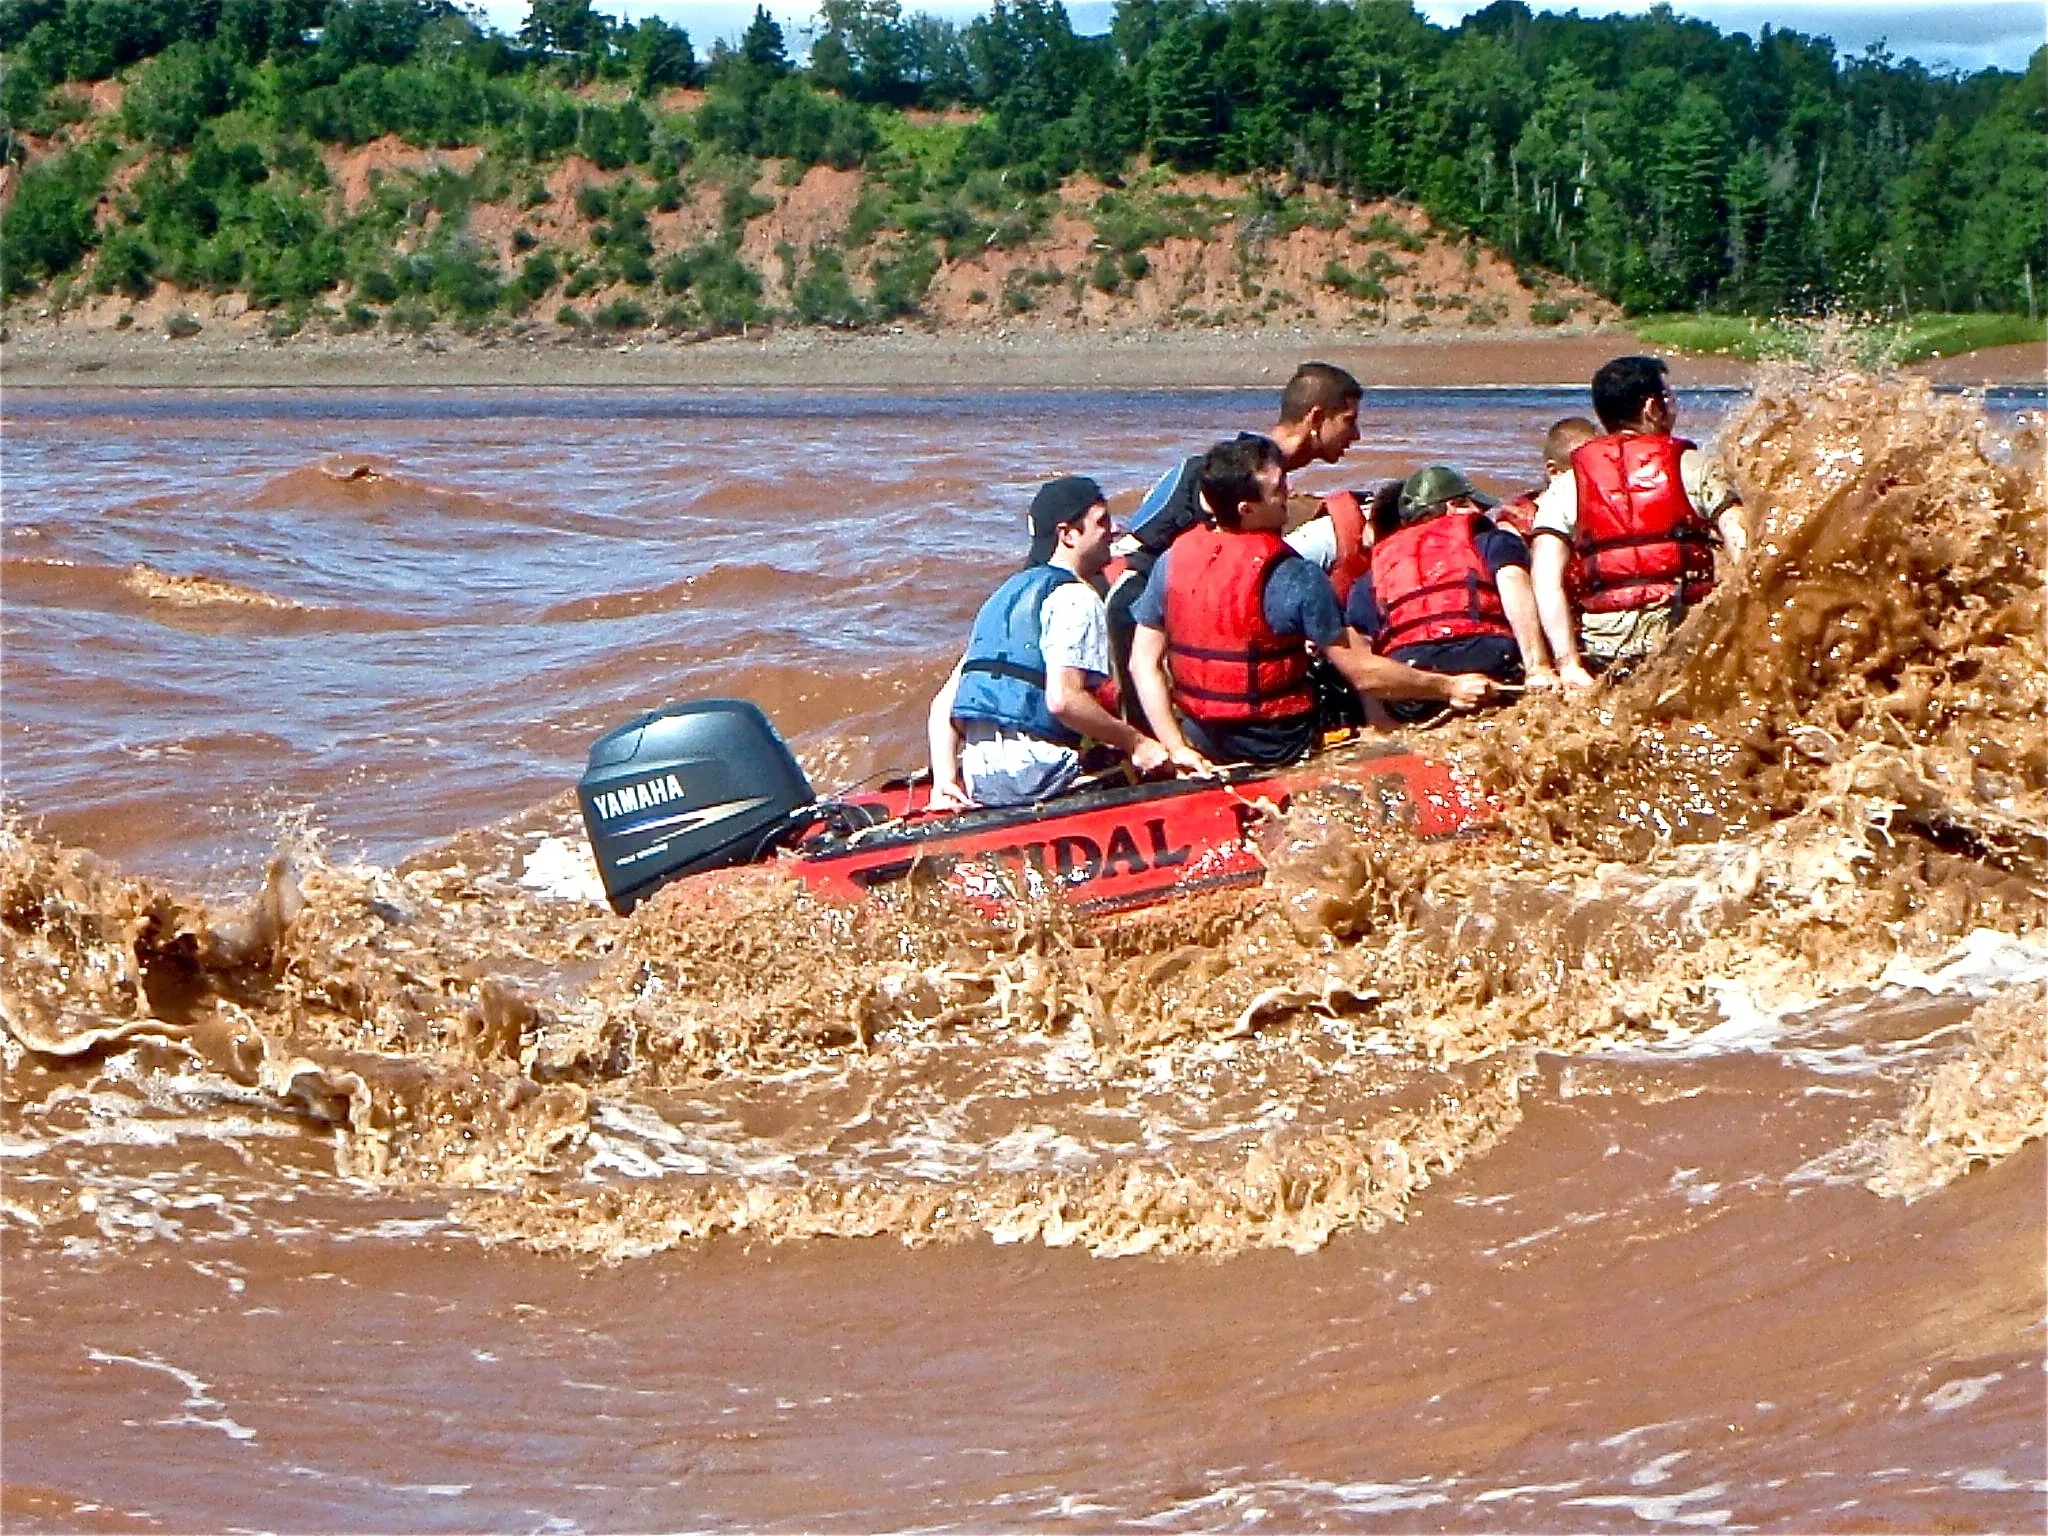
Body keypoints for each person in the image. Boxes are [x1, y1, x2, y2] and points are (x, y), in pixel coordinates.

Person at [1127, 437, 1494, 770]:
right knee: (1337, 675)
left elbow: (1142, 662)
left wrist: (1176, 747)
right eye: (1278, 489)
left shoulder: (1171, 561)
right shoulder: (1295, 576)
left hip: (1203, 736)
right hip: (1279, 743)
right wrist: (1449, 687)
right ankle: (1381, 732)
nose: (1289, 493)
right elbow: (1363, 673)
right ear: (1246, 509)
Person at [1107, 362, 1371, 675]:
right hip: (1140, 612)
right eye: (1348, 421)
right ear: (1315, 418)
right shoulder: (1238, 479)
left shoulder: (1243, 469)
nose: (1356, 435)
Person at [927, 476, 1170, 810]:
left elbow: (943, 706)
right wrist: (1137, 743)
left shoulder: (1003, 598)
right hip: (1041, 776)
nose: (1114, 530)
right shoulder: (1076, 597)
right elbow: (1063, 700)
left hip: (981, 779)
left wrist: (944, 781)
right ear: (1067, 534)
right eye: (1101, 521)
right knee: (1147, 764)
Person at [1531, 356, 1746, 690]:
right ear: (1652, 408)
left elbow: (1545, 578)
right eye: (1670, 399)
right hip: (1685, 639)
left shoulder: (1567, 484)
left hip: (1607, 651)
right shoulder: (1694, 465)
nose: (1674, 408)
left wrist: (1568, 663)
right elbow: (1743, 547)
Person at [1346, 465, 1557, 722]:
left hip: (1412, 685)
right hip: (1487, 659)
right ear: (1453, 506)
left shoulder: (1376, 568)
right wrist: (1538, 668)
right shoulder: (1491, 540)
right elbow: (1513, 581)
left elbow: (1360, 645)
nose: (1483, 514)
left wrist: (1379, 719)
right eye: (1476, 505)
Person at [1491, 417, 1598, 537]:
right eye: (1586, 472)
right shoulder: (1518, 520)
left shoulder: (1598, 509)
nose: (1597, 480)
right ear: (1554, 471)